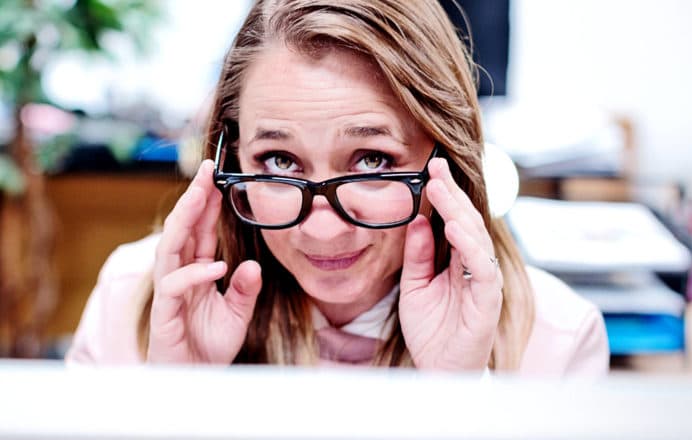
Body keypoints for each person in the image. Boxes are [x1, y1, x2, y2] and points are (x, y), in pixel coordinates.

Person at [66, 0, 608, 374]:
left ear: (448, 157)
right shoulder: (133, 300)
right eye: (278, 161)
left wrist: (458, 401)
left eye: (373, 161)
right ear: (227, 157)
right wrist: (179, 406)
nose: (322, 228)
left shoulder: (555, 339)